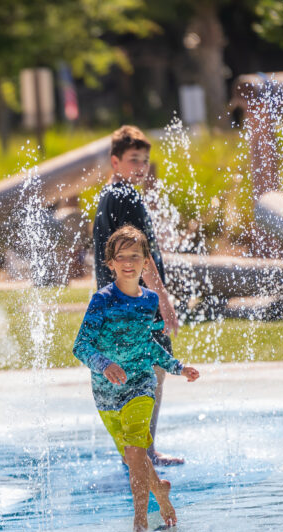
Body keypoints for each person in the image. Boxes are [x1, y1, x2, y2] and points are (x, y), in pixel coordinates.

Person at [74, 226, 200, 532]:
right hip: (107, 393)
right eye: (121, 258)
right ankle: (160, 489)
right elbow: (81, 345)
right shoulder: (101, 301)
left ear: (146, 262)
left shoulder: (150, 300)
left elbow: (149, 344)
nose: (128, 263)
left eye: (135, 256)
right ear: (111, 264)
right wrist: (104, 365)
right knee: (134, 457)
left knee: (135, 448)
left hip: (141, 384)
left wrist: (178, 367)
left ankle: (140, 523)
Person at [92, 125, 182, 466]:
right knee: (152, 372)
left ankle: (139, 451)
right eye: (133, 160)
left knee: (137, 373)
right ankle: (144, 452)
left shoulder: (109, 196)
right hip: (137, 304)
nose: (141, 166)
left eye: (144, 159)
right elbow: (134, 255)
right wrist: (161, 300)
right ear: (116, 161)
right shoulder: (125, 197)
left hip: (119, 303)